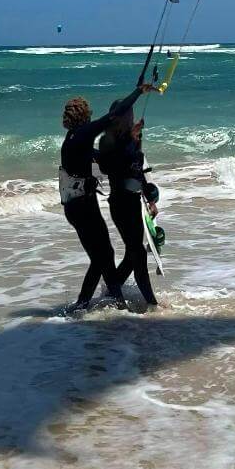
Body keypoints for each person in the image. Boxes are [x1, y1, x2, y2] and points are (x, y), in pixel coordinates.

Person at [60, 84, 155, 311]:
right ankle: (113, 302)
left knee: (101, 256)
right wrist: (138, 92)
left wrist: (130, 139)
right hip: (83, 208)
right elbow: (113, 115)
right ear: (84, 116)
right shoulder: (83, 134)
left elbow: (99, 158)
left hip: (76, 206)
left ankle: (87, 303)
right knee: (104, 255)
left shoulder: (73, 139)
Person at [98, 103, 159, 308]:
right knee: (138, 253)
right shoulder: (108, 141)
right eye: (127, 116)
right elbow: (110, 167)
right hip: (120, 204)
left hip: (134, 203)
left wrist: (150, 200)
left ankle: (112, 290)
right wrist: (130, 140)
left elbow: (137, 170)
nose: (131, 119)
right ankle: (152, 303)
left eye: (132, 115)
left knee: (133, 254)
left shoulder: (132, 138)